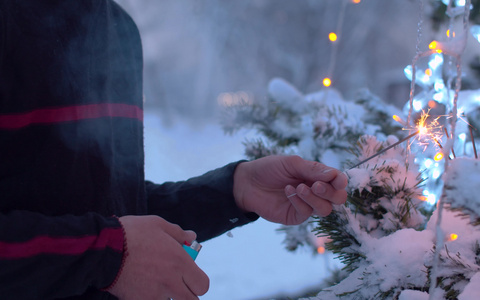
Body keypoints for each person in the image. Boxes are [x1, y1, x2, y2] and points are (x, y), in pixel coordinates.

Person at [0, 1, 348, 300]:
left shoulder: (119, 30)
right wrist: (106, 252)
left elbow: (115, 209)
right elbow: (110, 238)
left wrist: (234, 191)